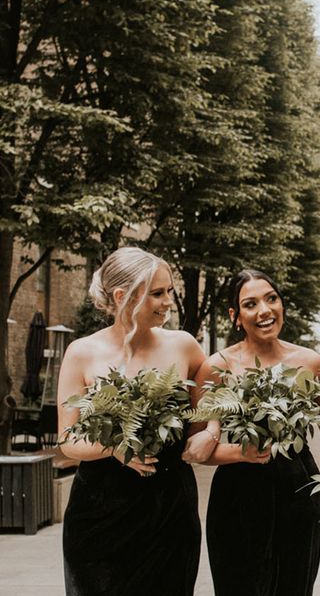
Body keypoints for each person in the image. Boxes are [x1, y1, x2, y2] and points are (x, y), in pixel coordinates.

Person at [58, 247, 209, 596]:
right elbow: (67, 440)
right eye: (157, 293)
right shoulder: (81, 352)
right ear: (122, 296)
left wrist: (209, 429)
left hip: (169, 508)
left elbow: (213, 391)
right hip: (100, 513)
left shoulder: (184, 346)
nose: (168, 301)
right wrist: (115, 448)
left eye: (169, 291)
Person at [196, 270, 320, 596]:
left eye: (271, 299)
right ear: (235, 317)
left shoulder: (311, 362)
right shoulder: (216, 367)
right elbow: (191, 449)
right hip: (237, 493)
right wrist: (240, 453)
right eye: (250, 304)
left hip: (297, 488)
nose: (265, 310)